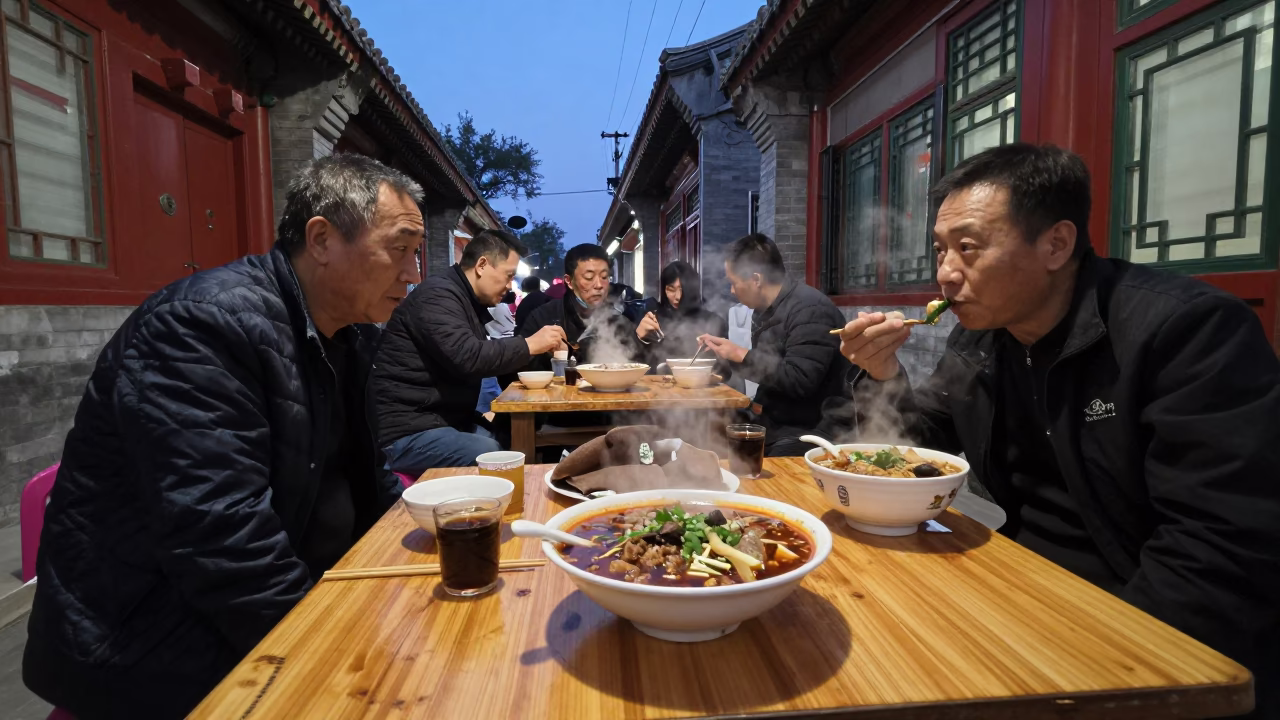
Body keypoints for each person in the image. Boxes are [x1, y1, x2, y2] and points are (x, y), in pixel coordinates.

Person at [838, 143, 1280, 717]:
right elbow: (920, 451)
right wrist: (882, 375)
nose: (945, 273)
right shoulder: (981, 338)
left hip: (1139, 626)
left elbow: (1220, 548)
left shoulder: (1187, 331)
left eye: (968, 248)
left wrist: (1096, 672)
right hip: (1024, 586)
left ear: (1056, 244)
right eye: (941, 249)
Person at [22, 154, 421, 718]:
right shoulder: (200, 325)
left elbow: (370, 476)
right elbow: (220, 536)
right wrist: (326, 654)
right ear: (322, 239)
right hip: (158, 638)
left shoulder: (350, 334)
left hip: (297, 596)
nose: (412, 273)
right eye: (400, 249)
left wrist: (420, 548)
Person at [373, 229, 565, 477]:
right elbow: (468, 356)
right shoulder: (438, 295)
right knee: (491, 453)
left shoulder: (464, 299)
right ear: (482, 265)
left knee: (508, 436)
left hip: (440, 421)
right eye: (508, 276)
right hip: (406, 431)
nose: (509, 286)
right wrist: (529, 344)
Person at [697, 233, 852, 456]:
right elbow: (768, 370)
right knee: (710, 427)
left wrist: (741, 354)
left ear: (756, 279)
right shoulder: (768, 310)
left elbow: (800, 380)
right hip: (778, 419)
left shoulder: (810, 310)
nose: (731, 291)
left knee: (739, 453)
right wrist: (727, 355)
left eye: (733, 283)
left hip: (813, 430)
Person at [520, 243, 645, 369]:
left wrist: (641, 339)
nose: (599, 285)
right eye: (589, 277)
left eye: (604, 277)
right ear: (569, 281)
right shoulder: (542, 318)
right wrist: (559, 357)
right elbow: (522, 370)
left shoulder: (620, 317)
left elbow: (638, 365)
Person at [647, 260, 728, 367]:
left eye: (682, 290)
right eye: (671, 289)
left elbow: (726, 369)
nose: (677, 297)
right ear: (663, 290)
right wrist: (639, 337)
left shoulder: (713, 322)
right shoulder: (654, 321)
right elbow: (640, 362)